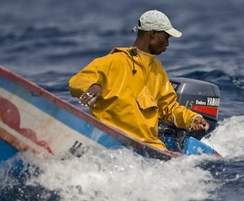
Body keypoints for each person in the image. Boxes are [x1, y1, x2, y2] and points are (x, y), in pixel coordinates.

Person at [69, 10, 208, 151]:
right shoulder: (113, 62)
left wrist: (191, 119)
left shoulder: (157, 69)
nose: (167, 43)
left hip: (149, 147)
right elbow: (77, 80)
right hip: (111, 138)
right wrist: (93, 85)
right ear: (152, 33)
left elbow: (169, 108)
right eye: (166, 37)